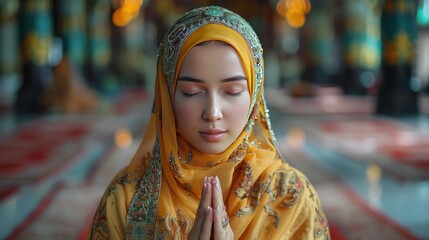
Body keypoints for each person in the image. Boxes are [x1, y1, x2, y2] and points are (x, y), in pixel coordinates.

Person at [88, 5, 330, 240]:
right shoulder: (123, 202)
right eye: (192, 92)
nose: (212, 113)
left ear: (254, 96)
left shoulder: (290, 196)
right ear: (167, 96)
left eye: (233, 91)